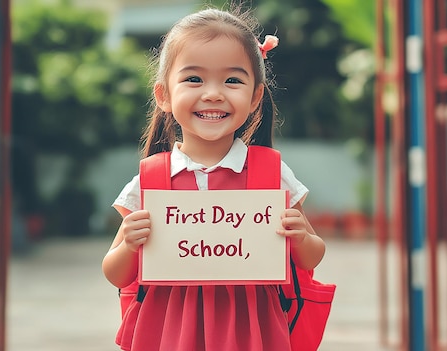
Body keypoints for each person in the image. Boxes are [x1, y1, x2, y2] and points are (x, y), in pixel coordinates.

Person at [102, 5, 327, 351]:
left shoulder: (271, 174)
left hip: (252, 332)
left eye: (232, 80)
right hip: (170, 333)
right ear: (163, 95)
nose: (213, 93)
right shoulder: (151, 180)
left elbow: (311, 258)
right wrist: (130, 244)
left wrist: (298, 236)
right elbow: (116, 274)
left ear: (255, 98)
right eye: (194, 78)